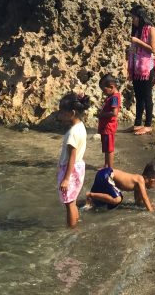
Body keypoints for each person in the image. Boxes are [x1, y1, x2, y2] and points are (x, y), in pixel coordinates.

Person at [56, 92, 90, 228]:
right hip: (78, 168)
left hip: (71, 170)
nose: (60, 116)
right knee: (72, 201)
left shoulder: (72, 134)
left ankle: (72, 230)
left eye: (62, 112)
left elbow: (71, 157)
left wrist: (65, 178)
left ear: (72, 113)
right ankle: (76, 224)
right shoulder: (81, 127)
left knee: (68, 203)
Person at [126, 5, 155, 135]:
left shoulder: (151, 29)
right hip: (136, 68)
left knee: (146, 96)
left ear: (140, 17)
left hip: (146, 68)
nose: (132, 20)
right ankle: (137, 124)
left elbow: (153, 49)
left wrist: (137, 41)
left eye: (134, 17)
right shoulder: (137, 30)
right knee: (138, 96)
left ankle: (148, 125)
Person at [86, 161, 155, 212]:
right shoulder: (140, 180)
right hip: (107, 175)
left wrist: (152, 205)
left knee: (97, 204)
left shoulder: (138, 184)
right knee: (117, 199)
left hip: (104, 174)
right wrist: (151, 211)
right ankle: (90, 195)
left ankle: (87, 200)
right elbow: (145, 198)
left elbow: (138, 202)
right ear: (152, 180)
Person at [97, 74, 121, 169]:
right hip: (106, 127)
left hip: (109, 127)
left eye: (104, 90)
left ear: (111, 87)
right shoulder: (111, 96)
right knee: (106, 147)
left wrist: (101, 115)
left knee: (109, 149)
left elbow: (114, 113)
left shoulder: (114, 97)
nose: (104, 92)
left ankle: (110, 169)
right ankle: (106, 165)